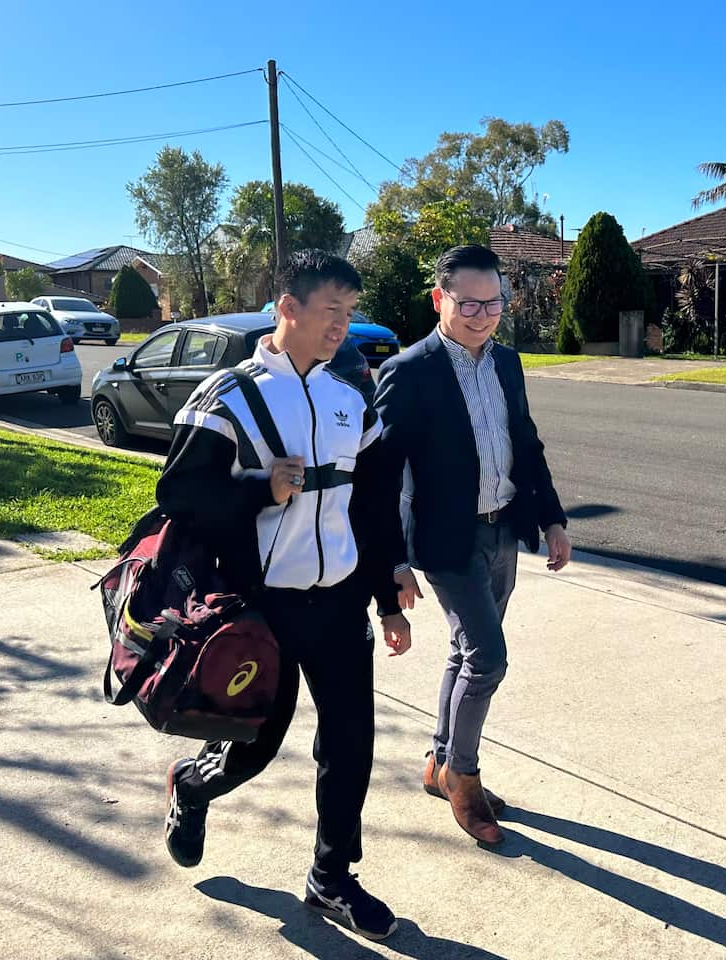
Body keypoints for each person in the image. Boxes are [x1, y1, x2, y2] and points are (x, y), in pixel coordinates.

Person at [155, 250, 411, 941]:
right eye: (333, 311)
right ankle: (193, 783)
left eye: (351, 314)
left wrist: (389, 585)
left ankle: (332, 877)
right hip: (260, 608)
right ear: (289, 309)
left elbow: (376, 502)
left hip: (339, 605)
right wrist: (258, 491)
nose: (344, 327)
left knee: (351, 743)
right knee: (255, 745)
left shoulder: (348, 397)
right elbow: (177, 494)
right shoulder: (227, 395)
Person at [374, 244, 571, 846]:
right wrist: (393, 564)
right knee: (488, 657)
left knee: (466, 652)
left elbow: (526, 444)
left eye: (494, 303)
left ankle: (438, 763)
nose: (484, 315)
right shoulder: (408, 372)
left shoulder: (508, 363)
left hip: (503, 529)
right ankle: (464, 776)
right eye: (469, 303)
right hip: (444, 540)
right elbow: (381, 477)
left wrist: (553, 518)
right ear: (440, 299)